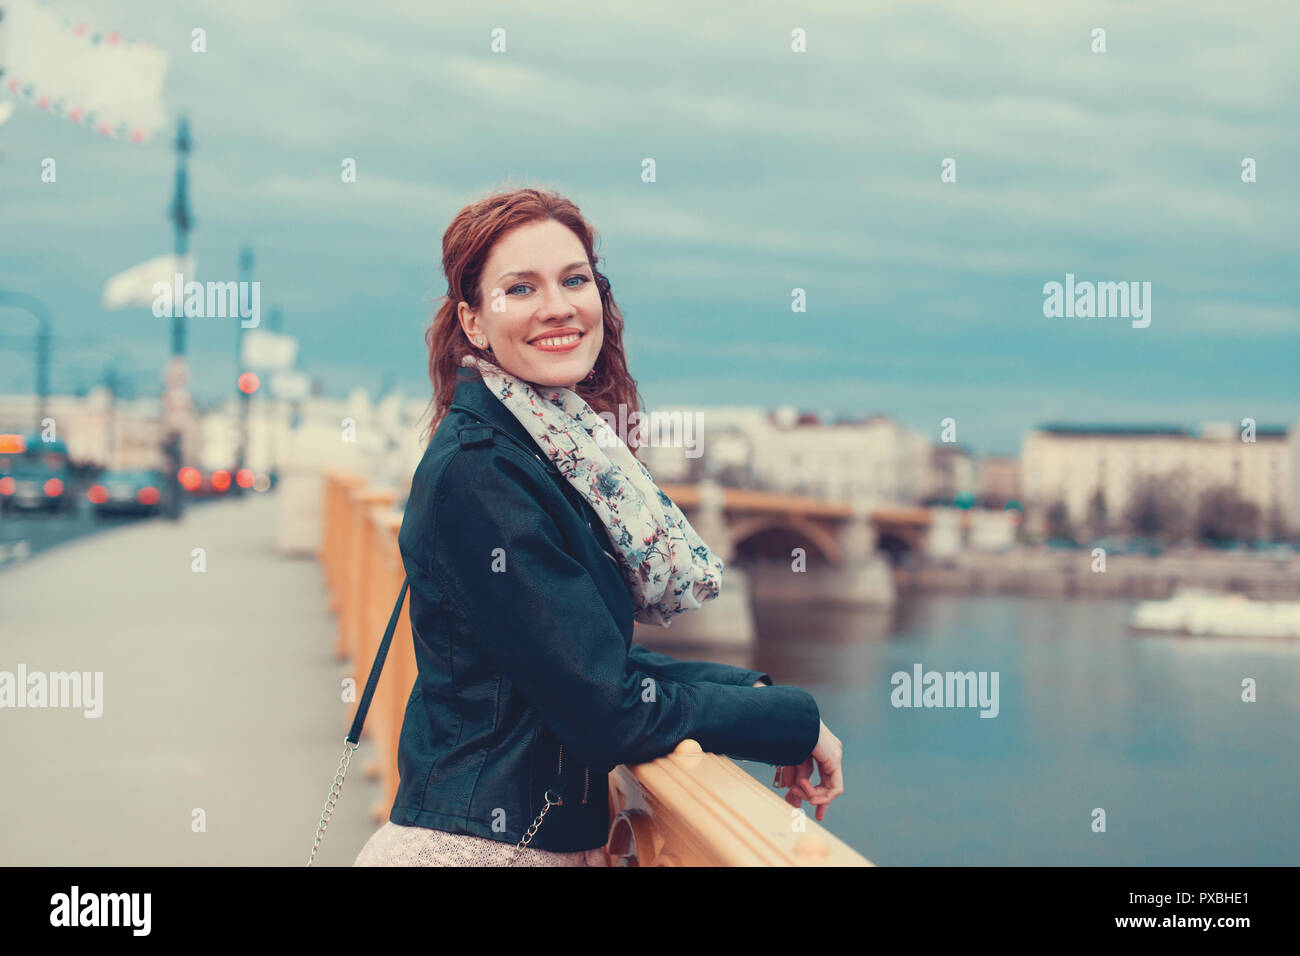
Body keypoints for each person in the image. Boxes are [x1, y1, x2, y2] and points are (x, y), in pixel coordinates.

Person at [353, 186, 843, 867]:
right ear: (473, 322)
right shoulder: (485, 472)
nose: (557, 305)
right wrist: (788, 722)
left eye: (573, 279)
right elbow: (606, 711)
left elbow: (576, 658)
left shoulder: (544, 450)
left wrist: (760, 698)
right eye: (520, 288)